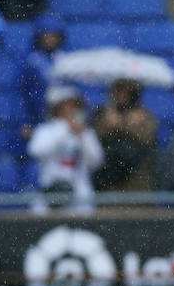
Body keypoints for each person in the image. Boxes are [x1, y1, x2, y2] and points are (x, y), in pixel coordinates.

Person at [26, 85, 104, 215]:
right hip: (51, 194)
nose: (70, 110)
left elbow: (96, 161)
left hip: (80, 196)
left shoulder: (86, 133)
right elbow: (36, 150)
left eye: (74, 106)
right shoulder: (46, 130)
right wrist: (65, 129)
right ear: (57, 108)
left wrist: (83, 136)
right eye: (65, 106)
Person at [91, 78, 159, 192]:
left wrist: (121, 123)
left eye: (127, 92)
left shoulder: (144, 115)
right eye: (119, 91)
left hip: (136, 180)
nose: (122, 95)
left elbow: (147, 136)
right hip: (107, 180)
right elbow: (92, 136)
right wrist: (108, 123)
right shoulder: (103, 113)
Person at [18, 13, 65, 139]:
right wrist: (26, 121)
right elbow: (23, 93)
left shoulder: (65, 59)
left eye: (53, 35)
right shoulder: (31, 62)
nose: (50, 39)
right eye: (46, 35)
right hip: (39, 116)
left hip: (62, 118)